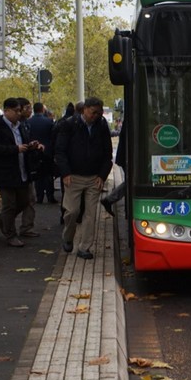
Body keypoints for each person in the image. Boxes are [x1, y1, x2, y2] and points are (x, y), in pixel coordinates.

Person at [54, 97, 113, 259]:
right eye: (94, 113)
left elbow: (108, 154)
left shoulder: (101, 126)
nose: (96, 116)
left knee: (90, 214)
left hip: (94, 177)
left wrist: (102, 175)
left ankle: (85, 247)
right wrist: (65, 173)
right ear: (85, 109)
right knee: (72, 211)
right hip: (73, 177)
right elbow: (60, 151)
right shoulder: (69, 124)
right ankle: (68, 237)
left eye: (99, 114)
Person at [0, 97, 44, 247]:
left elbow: (23, 143)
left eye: (20, 110)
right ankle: (10, 234)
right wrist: (15, 149)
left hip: (21, 170)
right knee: (9, 204)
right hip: (5, 172)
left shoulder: (21, 125)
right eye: (16, 111)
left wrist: (31, 146)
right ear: (6, 111)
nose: (19, 113)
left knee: (24, 201)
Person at [16, 97, 40, 238]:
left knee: (30, 198)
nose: (30, 111)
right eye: (27, 108)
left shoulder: (26, 124)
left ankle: (27, 227)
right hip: (14, 169)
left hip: (26, 167)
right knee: (15, 202)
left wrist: (33, 145)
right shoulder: (15, 125)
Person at [28, 101, 57, 204]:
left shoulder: (29, 122)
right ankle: (50, 196)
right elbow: (53, 137)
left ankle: (39, 197)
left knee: (37, 175)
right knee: (48, 175)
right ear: (42, 110)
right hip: (47, 152)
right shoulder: (49, 122)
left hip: (34, 152)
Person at [100, 120, 125, 216]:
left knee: (130, 182)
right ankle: (109, 199)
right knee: (132, 181)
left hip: (123, 157)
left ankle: (109, 199)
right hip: (125, 157)